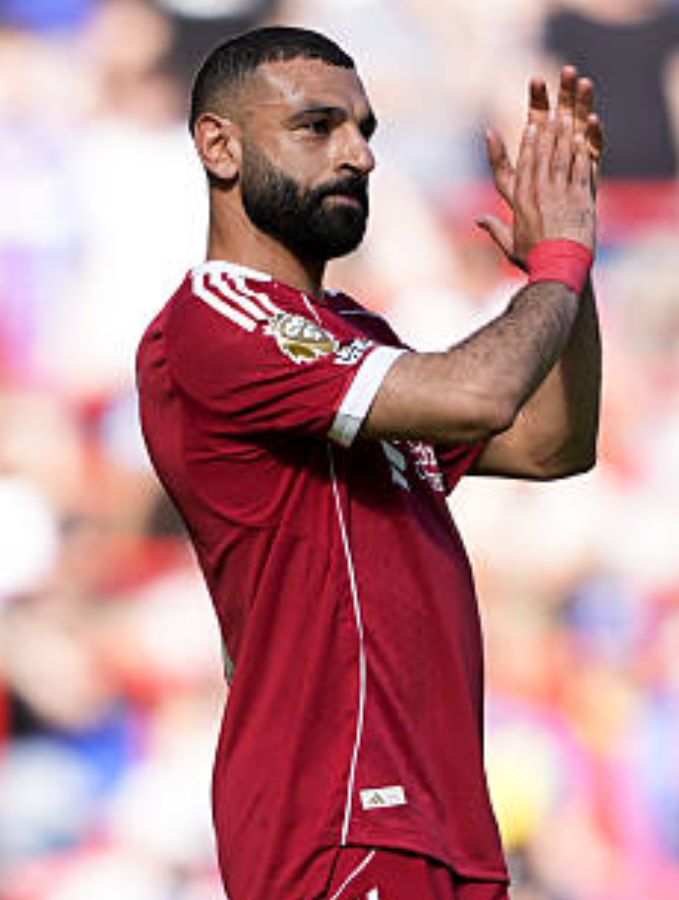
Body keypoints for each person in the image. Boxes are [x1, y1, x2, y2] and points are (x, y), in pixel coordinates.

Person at [136, 28, 601, 900]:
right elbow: (480, 398)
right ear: (218, 145)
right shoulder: (214, 319)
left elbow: (551, 445)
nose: (357, 157)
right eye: (316, 128)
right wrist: (557, 264)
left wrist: (571, 266)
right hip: (335, 813)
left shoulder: (356, 334)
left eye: (365, 130)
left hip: (438, 816)